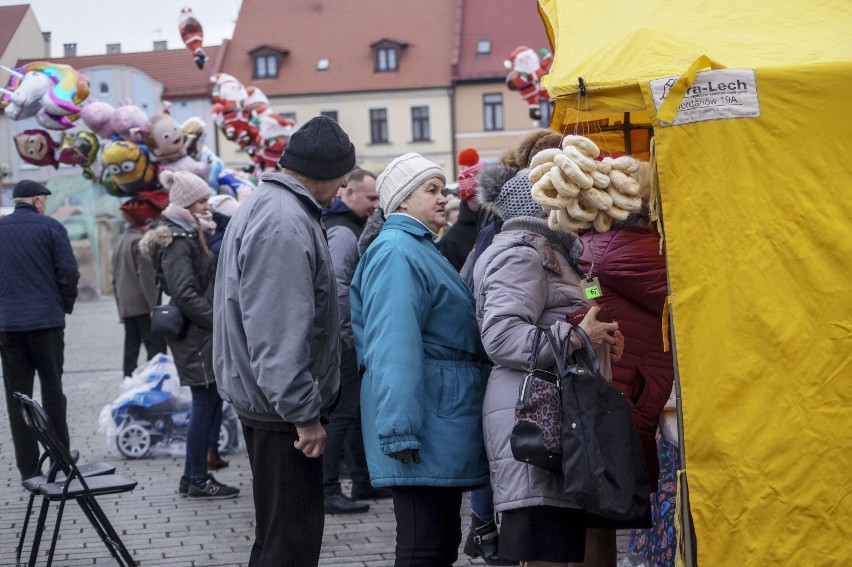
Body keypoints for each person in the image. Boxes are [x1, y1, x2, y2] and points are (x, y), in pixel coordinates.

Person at [214, 115, 355, 566]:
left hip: (271, 402)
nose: (345, 185)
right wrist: (304, 414)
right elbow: (278, 332)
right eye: (343, 175)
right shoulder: (282, 220)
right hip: (281, 413)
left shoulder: (274, 207)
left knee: (277, 535)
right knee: (290, 543)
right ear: (327, 172)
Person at [472, 167, 625, 566]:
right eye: (565, 199)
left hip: (561, 417)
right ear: (543, 205)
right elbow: (502, 338)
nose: (578, 208)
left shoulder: (557, 252)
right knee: (546, 547)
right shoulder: (521, 252)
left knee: (566, 543)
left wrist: (601, 343)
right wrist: (577, 339)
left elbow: (569, 320)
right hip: (534, 418)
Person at [350, 153, 491, 566]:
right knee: (423, 546)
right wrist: (399, 431)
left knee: (439, 541)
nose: (443, 197)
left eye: (442, 188)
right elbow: (393, 345)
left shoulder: (416, 247)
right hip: (422, 422)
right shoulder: (397, 251)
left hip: (436, 416)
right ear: (401, 200)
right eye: (431, 189)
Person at [575, 203, 676, 567]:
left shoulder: (593, 247)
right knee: (598, 519)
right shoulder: (637, 249)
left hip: (612, 394)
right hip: (624, 399)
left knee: (591, 519)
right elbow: (695, 299)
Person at [139, 170, 238, 500]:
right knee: (204, 404)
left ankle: (191, 475)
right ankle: (197, 477)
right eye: (201, 201)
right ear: (185, 203)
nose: (207, 206)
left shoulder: (187, 232)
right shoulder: (178, 240)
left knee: (208, 403)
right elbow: (185, 293)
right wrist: (216, 322)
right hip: (196, 335)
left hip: (198, 333)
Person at [0, 180, 79, 480]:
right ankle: (61, 459)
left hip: (9, 326)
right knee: (53, 392)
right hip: (46, 324)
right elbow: (69, 273)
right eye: (43, 200)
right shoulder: (51, 228)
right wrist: (62, 305)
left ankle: (29, 468)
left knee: (17, 397)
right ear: (35, 201)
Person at [321, 167, 388, 514]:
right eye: (371, 198)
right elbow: (339, 288)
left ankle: (362, 481)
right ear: (349, 194)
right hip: (344, 340)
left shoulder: (350, 227)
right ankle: (328, 488)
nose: (375, 205)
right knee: (343, 415)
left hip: (346, 337)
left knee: (355, 413)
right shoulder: (344, 234)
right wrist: (350, 337)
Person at [204, 193, 241, 470]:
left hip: (213, 324)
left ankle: (210, 452)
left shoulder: (213, 240)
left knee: (212, 397)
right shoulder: (220, 244)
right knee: (206, 399)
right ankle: (205, 456)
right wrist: (214, 319)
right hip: (209, 327)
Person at [112, 197, 167, 380]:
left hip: (128, 307)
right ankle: (154, 381)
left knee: (131, 349)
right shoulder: (139, 242)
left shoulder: (120, 243)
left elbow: (114, 280)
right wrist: (154, 306)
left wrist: (121, 310)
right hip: (143, 305)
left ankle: (128, 381)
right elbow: (146, 276)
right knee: (156, 347)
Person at [438, 148, 485, 270]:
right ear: (466, 196)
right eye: (475, 194)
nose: (481, 199)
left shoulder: (499, 223)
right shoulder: (451, 240)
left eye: (485, 193)